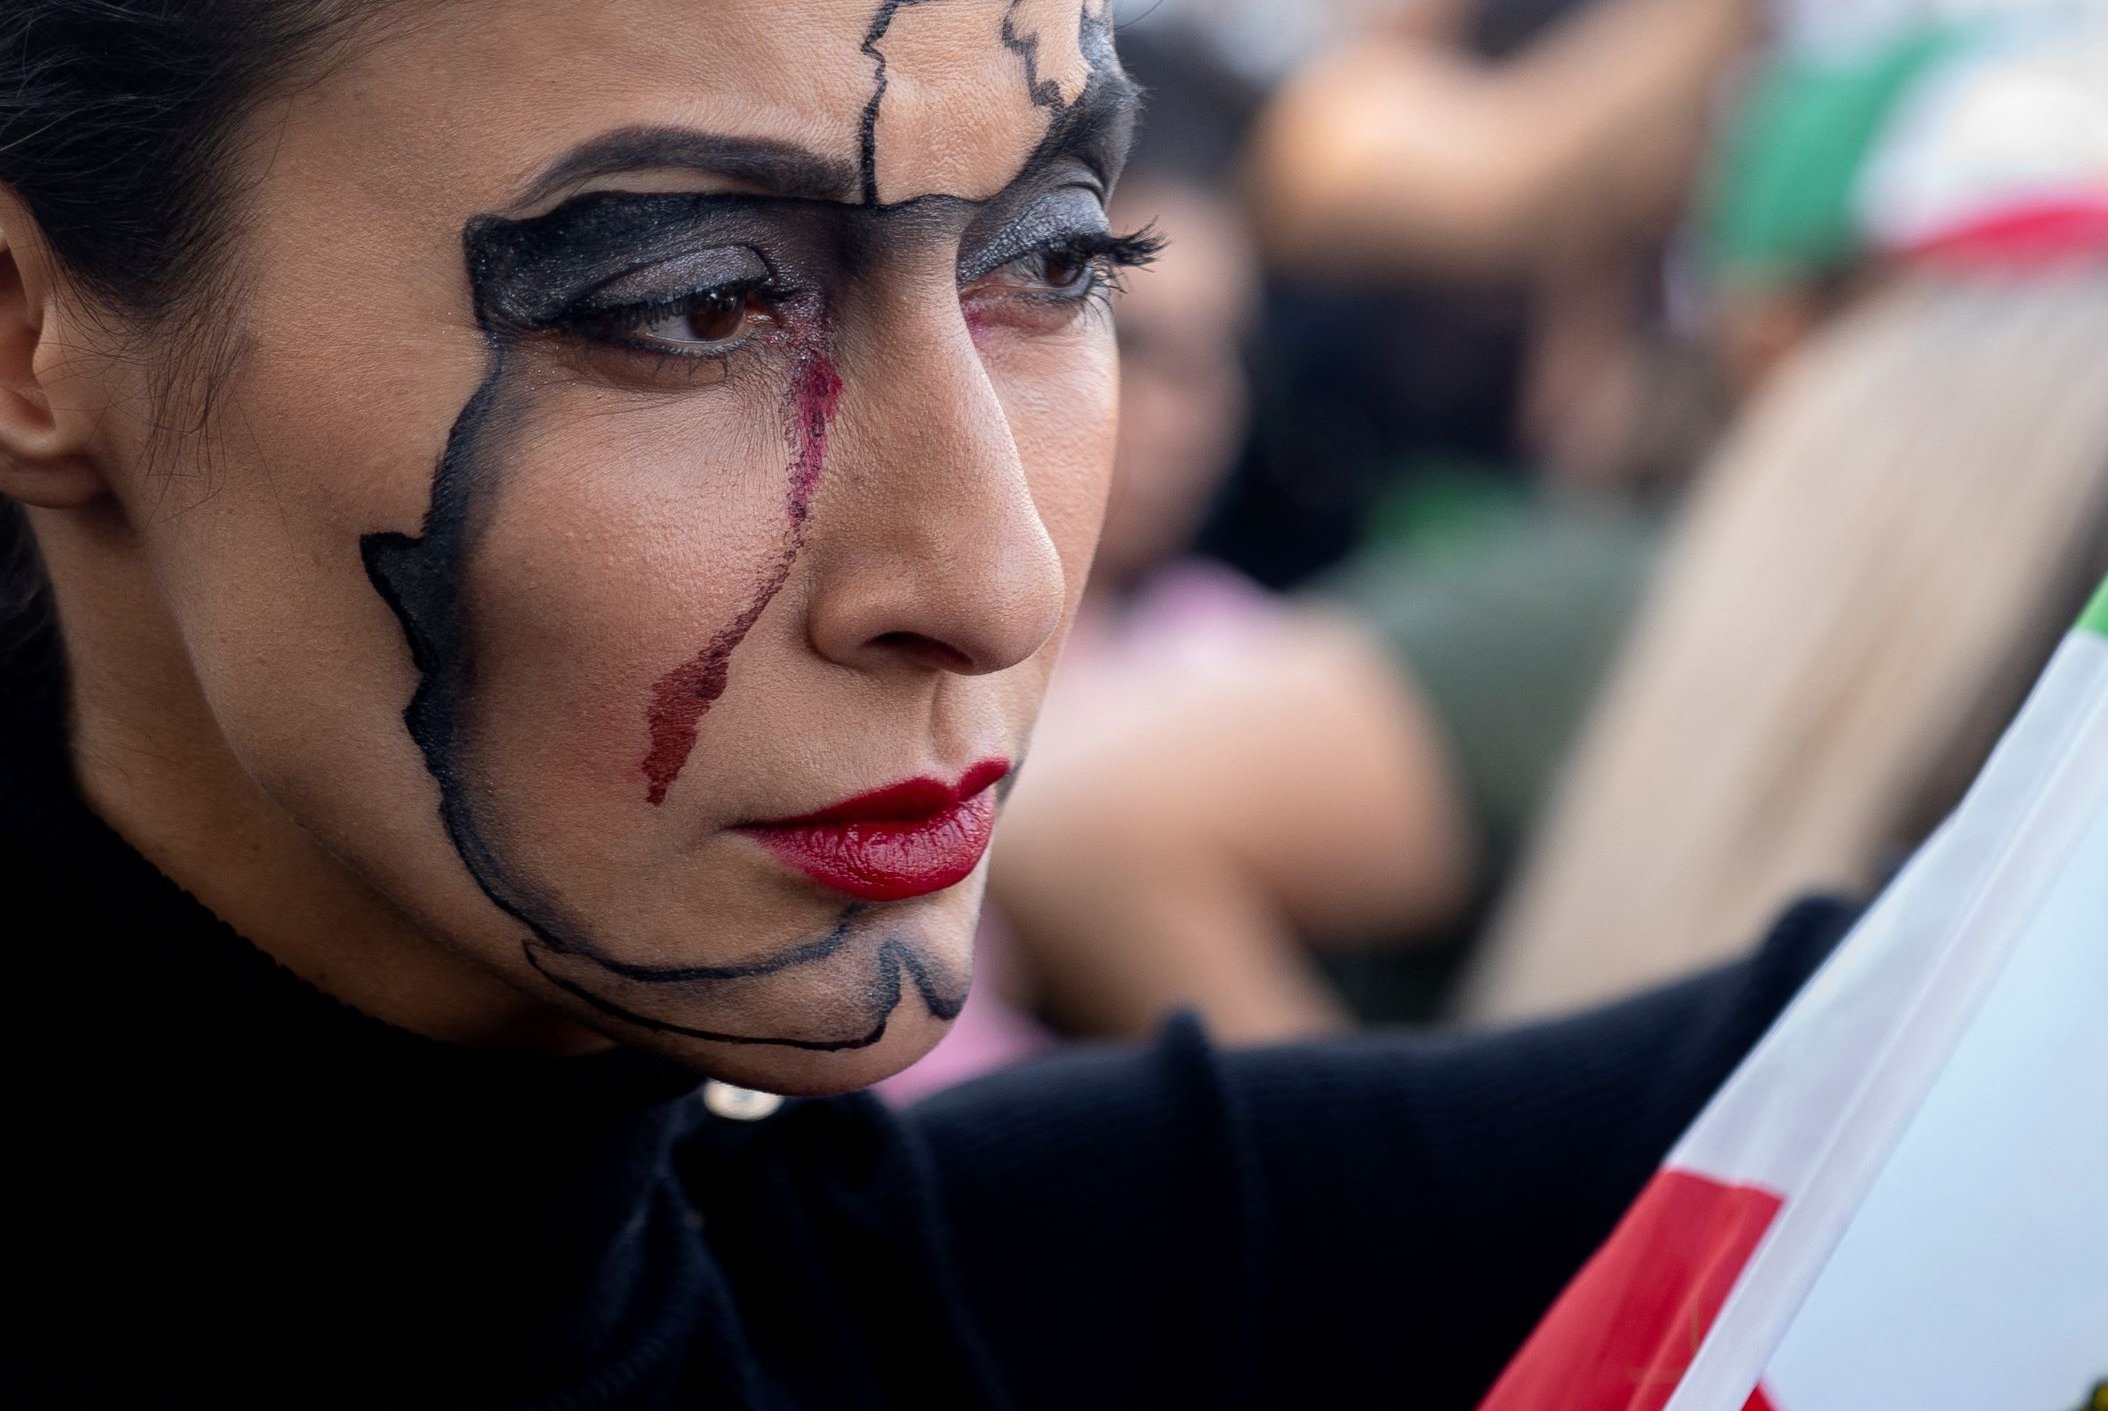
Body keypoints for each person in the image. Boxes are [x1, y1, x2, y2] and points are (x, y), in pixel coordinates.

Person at [0, 3, 1849, 1405]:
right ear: (27, 339)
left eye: (1053, 260)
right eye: (698, 303)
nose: (996, 584)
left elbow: (1920, 1019)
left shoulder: (991, 1296)